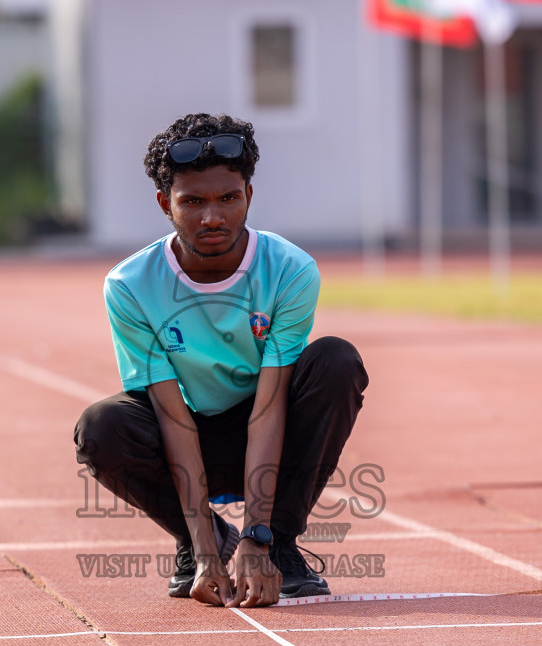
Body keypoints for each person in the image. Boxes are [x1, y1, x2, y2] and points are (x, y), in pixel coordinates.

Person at [74, 113, 368, 608]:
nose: (213, 218)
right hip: (187, 434)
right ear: (166, 204)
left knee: (336, 361)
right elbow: (171, 416)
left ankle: (280, 546)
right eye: (193, 202)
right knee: (101, 426)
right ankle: (198, 538)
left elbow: (270, 407)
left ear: (249, 196)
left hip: (269, 425)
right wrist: (207, 549)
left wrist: (258, 534)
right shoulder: (130, 285)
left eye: (228, 199)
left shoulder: (289, 271)